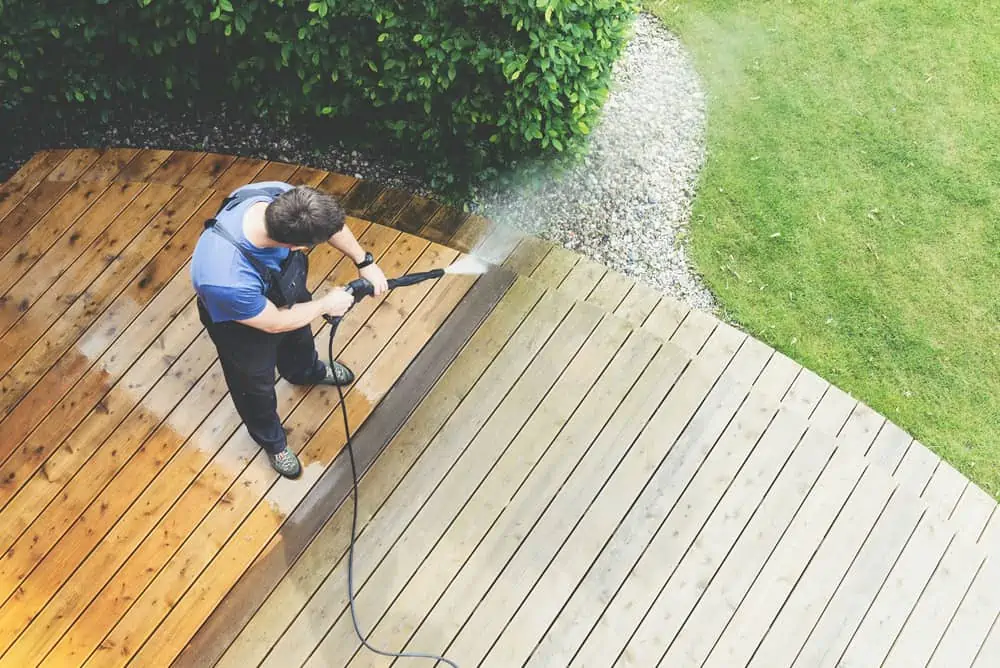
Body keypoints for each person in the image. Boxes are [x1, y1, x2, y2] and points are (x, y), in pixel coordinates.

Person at [190, 181, 387, 479]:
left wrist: (364, 261)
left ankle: (306, 371)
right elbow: (274, 323)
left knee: (300, 340)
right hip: (241, 326)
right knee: (254, 387)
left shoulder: (282, 199)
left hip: (284, 292)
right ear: (296, 246)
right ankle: (273, 441)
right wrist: (326, 304)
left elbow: (331, 225)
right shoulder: (224, 276)